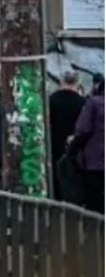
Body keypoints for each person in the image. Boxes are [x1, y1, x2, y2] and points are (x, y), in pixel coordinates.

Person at [48, 71, 88, 202]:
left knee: (56, 179)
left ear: (61, 81)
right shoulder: (83, 102)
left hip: (53, 146)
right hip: (75, 149)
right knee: (74, 180)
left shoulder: (50, 100)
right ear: (77, 83)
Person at [68, 75, 104, 213]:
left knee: (95, 199)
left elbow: (84, 130)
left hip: (95, 160)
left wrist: (73, 149)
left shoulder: (94, 104)